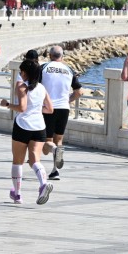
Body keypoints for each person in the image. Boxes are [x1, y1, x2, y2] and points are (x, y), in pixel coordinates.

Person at [0, 59, 54, 205]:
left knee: (18, 161)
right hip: (39, 127)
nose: (20, 74)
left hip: (23, 125)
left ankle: (17, 194)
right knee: (35, 159)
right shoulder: (42, 88)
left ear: (25, 73)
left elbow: (22, 108)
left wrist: (7, 104)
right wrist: (36, 110)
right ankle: (43, 184)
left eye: (21, 71)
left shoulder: (23, 87)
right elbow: (50, 109)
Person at [39, 45, 82, 181]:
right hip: (64, 108)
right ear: (62, 56)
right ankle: (55, 171)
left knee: (47, 142)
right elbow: (79, 92)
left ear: (50, 55)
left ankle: (55, 152)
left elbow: (36, 87)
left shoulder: (44, 68)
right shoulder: (69, 70)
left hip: (47, 108)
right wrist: (67, 100)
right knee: (59, 140)